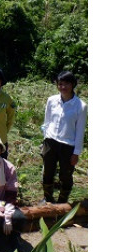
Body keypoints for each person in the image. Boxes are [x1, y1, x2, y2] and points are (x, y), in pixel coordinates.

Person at [40, 71, 87, 204]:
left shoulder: (80, 106)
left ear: (73, 85)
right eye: (60, 84)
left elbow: (80, 131)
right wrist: (45, 140)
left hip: (68, 145)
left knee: (65, 175)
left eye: (66, 84)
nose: (63, 87)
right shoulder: (52, 100)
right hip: (50, 142)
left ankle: (62, 201)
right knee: (48, 172)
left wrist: (76, 153)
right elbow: (47, 122)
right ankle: (47, 198)